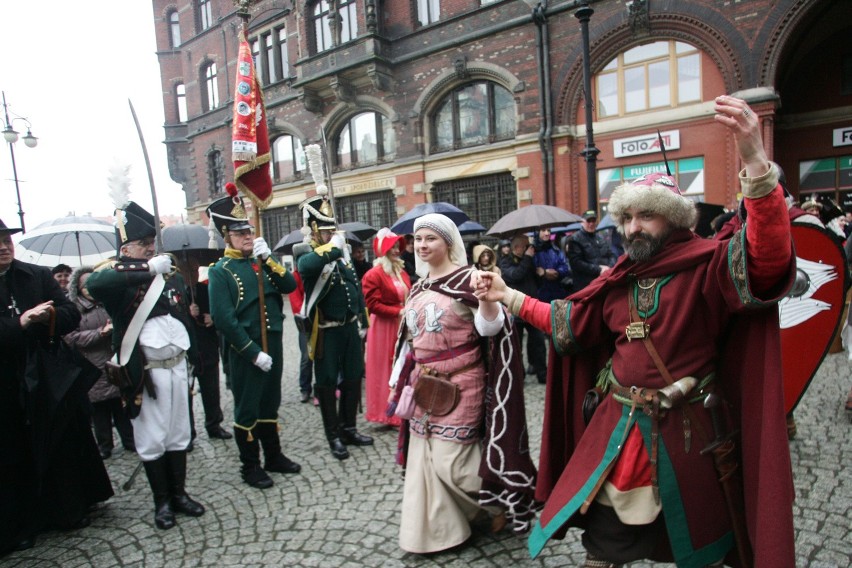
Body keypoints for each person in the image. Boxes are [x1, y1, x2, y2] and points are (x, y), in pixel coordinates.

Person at [471, 95, 795, 567]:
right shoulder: (618, 278)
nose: (633, 227)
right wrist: (506, 295)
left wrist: (753, 161)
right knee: (604, 545)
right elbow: (567, 324)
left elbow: (767, 263)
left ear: (675, 217)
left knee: (701, 542)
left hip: (688, 435)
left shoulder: (708, 266)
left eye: (646, 214)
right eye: (626, 218)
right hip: (620, 432)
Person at [389, 213, 537, 554]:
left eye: (431, 239)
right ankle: (440, 531)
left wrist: (486, 298)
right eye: (419, 239)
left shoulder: (468, 279)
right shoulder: (419, 285)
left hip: (462, 382)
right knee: (423, 459)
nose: (422, 245)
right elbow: (409, 340)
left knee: (451, 464)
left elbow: (491, 328)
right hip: (423, 383)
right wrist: (397, 379)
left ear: (448, 243)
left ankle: (501, 499)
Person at [86, 202, 205, 530]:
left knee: (179, 432)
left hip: (177, 366)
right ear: (126, 249)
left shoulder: (168, 274)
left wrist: (196, 357)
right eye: (143, 243)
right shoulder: (120, 277)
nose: (151, 248)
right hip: (146, 372)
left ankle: (179, 494)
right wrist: (146, 268)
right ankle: (162, 502)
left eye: (153, 242)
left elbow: (180, 315)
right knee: (153, 436)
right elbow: (95, 283)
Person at [1, 218, 113, 556]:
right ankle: (19, 524)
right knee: (13, 451)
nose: (4, 247)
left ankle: (69, 508)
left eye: (6, 240)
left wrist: (46, 319)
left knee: (62, 441)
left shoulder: (34, 276)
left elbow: (69, 313)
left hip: (48, 373)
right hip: (7, 380)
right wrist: (18, 324)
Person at [206, 188, 300, 489]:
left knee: (270, 402)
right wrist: (252, 352)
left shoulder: (261, 263)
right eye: (239, 232)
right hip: (247, 348)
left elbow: (287, 285)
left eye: (248, 230)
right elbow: (223, 320)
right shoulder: (220, 271)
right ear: (226, 236)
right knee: (247, 407)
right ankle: (250, 467)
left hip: (272, 342)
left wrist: (269, 258)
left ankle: (273, 456)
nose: (246, 236)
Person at [297, 194, 372, 460]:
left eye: (332, 229)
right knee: (327, 382)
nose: (331, 234)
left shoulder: (341, 253)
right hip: (326, 330)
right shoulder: (308, 252)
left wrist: (363, 321)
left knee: (353, 376)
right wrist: (333, 248)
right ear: (315, 230)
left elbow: (355, 287)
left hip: (349, 326)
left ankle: (348, 427)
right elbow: (306, 266)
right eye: (326, 230)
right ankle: (334, 436)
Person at [64, 266, 135, 459]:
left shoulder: (108, 302)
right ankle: (105, 445)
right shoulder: (74, 309)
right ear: (77, 288)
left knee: (120, 405)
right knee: (99, 409)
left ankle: (130, 439)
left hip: (114, 360)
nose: (88, 288)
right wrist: (99, 333)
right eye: (83, 285)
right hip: (92, 364)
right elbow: (71, 338)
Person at [178, 257, 232, 444]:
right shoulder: (175, 293)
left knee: (211, 390)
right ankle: (188, 432)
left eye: (195, 271)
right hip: (188, 351)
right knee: (186, 394)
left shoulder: (205, 290)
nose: (193, 275)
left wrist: (212, 318)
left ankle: (214, 425)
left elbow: (219, 312)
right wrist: (187, 313)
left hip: (207, 347)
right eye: (188, 272)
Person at [361, 228, 411, 427]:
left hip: (401, 323)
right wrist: (397, 311)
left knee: (401, 363)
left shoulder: (401, 271)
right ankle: (386, 412)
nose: (397, 250)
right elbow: (373, 304)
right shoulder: (374, 274)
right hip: (384, 327)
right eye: (392, 246)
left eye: (398, 246)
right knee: (386, 366)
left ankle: (402, 407)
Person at [498, 234, 547, 383]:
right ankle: (519, 376)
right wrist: (527, 258)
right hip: (515, 310)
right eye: (525, 246)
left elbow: (533, 282)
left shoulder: (529, 261)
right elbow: (515, 275)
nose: (529, 249)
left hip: (531, 307)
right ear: (517, 247)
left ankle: (542, 373)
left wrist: (540, 274)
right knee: (516, 346)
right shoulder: (505, 262)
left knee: (538, 343)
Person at [288, 243, 315, 405]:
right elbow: (295, 302)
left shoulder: (314, 274)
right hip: (304, 322)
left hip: (318, 319)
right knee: (306, 357)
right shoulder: (294, 276)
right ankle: (305, 388)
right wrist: (307, 315)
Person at [567, 210, 617, 292]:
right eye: (588, 221)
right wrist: (598, 269)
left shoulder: (600, 237)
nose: (591, 224)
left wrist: (609, 268)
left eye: (593, 221)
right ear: (582, 222)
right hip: (585, 286)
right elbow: (576, 263)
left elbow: (611, 254)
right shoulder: (575, 239)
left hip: (603, 282)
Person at [533, 227, 572, 302]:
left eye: (548, 230)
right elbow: (530, 270)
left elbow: (565, 266)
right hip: (539, 295)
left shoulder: (555, 249)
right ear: (538, 232)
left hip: (558, 293)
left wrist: (557, 272)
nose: (547, 233)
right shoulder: (532, 251)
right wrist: (543, 273)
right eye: (543, 230)